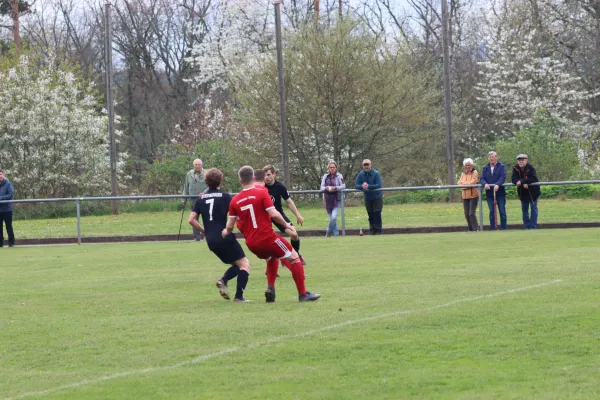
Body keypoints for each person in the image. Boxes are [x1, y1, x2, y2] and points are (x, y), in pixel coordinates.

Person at [224, 166, 320, 303]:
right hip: (267, 238)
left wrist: (225, 232)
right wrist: (286, 225)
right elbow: (274, 214)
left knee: (272, 258)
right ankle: (303, 294)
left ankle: (271, 289)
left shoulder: (235, 200)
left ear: (240, 181)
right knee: (294, 257)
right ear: (253, 178)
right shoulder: (263, 192)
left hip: (251, 243)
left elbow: (230, 226)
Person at [188, 168, 251, 302]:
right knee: (244, 264)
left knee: (237, 264)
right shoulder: (225, 196)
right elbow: (237, 216)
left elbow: (191, 219)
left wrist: (204, 231)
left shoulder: (201, 198)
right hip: (224, 236)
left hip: (211, 240)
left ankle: (223, 280)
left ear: (206, 181)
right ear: (220, 180)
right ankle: (239, 297)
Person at [263, 165, 306, 264]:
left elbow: (289, 202)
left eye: (269, 175)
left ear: (274, 174)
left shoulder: (280, 187)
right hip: (264, 217)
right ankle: (271, 269)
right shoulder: (261, 187)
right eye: (265, 175)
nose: (267, 178)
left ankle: (296, 254)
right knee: (265, 242)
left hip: (277, 215)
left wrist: (298, 215)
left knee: (294, 234)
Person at [511, 154, 541, 229]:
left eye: (522, 160)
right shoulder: (515, 168)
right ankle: (527, 226)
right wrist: (519, 182)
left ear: (526, 160)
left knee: (533, 209)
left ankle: (533, 226)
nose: (520, 161)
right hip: (522, 192)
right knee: (524, 210)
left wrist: (523, 181)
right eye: (519, 160)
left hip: (533, 192)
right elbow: (513, 179)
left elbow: (534, 178)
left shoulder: (530, 168)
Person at [354, 159, 383, 234]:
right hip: (368, 198)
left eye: (367, 164)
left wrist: (368, 186)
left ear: (371, 164)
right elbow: (356, 185)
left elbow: (378, 185)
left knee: (377, 213)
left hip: (377, 197)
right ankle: (372, 229)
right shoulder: (360, 174)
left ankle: (378, 230)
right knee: (370, 214)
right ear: (362, 166)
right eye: (365, 165)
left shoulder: (376, 173)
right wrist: (362, 186)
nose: (366, 166)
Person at [480, 151, 507, 230]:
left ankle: (503, 228)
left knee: (502, 211)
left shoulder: (501, 166)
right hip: (490, 193)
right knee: (492, 211)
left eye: (493, 157)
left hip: (500, 193)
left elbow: (503, 177)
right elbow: (482, 178)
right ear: (488, 158)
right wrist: (485, 184)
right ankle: (493, 228)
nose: (492, 159)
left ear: (496, 157)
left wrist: (498, 184)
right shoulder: (485, 167)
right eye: (490, 157)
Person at [183, 159, 208, 241]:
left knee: (206, 219)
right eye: (196, 164)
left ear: (202, 165)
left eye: (199, 164)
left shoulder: (206, 173)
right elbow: (186, 187)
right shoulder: (189, 174)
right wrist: (184, 198)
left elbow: (211, 186)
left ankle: (207, 235)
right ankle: (196, 237)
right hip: (193, 201)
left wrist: (205, 192)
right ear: (193, 165)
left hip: (205, 200)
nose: (197, 166)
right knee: (194, 219)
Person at [320, 160, 345, 237]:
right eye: (330, 167)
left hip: (337, 200)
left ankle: (328, 230)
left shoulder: (340, 176)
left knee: (334, 217)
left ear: (336, 168)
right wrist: (326, 188)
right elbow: (321, 187)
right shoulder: (325, 176)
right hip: (327, 200)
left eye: (333, 167)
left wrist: (335, 187)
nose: (332, 169)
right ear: (328, 168)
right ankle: (336, 234)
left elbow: (343, 186)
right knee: (332, 218)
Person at [457, 158, 480, 232]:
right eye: (466, 165)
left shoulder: (475, 172)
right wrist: (466, 185)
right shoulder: (463, 173)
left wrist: (464, 185)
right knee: (466, 214)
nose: (467, 166)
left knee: (471, 213)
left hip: (473, 195)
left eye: (469, 165)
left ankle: (475, 228)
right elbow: (459, 183)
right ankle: (471, 229)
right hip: (465, 196)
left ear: (471, 165)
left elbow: (473, 182)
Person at [0, 169, 15, 247]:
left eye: (1, 174)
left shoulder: (8, 184)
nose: (0, 176)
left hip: (7, 209)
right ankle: (0, 243)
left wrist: (0, 198)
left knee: (8, 226)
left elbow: (10, 195)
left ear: (3, 175)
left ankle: (11, 243)